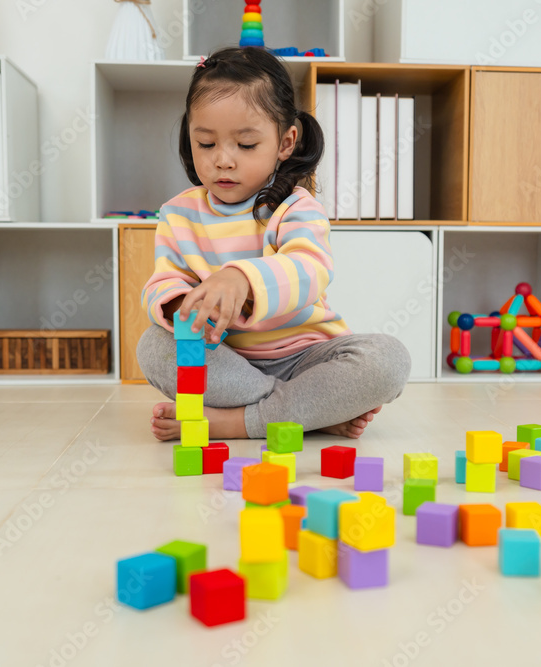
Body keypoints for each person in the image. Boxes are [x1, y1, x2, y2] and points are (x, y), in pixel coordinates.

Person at [137, 47, 410, 442]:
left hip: (307, 360)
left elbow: (309, 270)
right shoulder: (177, 214)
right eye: (206, 144)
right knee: (152, 346)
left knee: (389, 359)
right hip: (228, 365)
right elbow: (162, 282)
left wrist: (242, 279)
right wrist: (183, 305)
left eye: (245, 145)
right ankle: (303, 414)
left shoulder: (296, 207)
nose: (223, 160)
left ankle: (235, 422)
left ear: (285, 143)